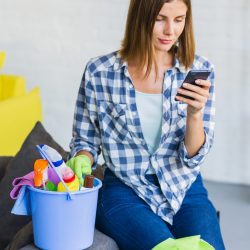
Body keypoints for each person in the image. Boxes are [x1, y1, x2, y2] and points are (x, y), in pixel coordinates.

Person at [67, 0, 225, 249]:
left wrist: (195, 114)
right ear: (140, 17)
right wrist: (83, 158)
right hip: (124, 189)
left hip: (184, 188)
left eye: (179, 19)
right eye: (160, 18)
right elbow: (85, 139)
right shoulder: (99, 72)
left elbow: (193, 158)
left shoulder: (199, 70)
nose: (170, 31)